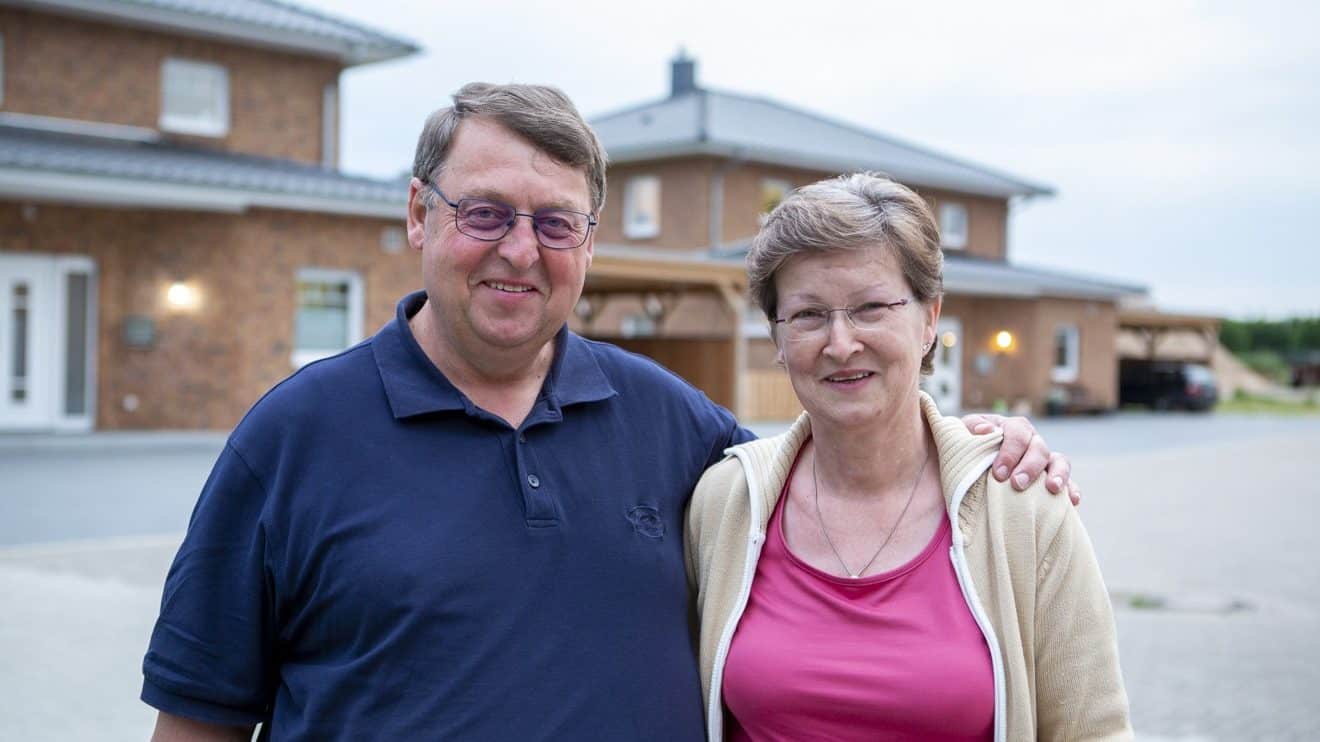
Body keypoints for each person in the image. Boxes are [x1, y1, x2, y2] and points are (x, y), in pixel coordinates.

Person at [142, 85, 1075, 741]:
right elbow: (197, 716)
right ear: (420, 215)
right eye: (485, 214)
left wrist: (973, 448)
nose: (520, 249)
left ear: (586, 242)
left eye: (555, 223)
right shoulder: (292, 437)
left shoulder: (671, 425)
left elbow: (839, 468)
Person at [686, 172, 1130, 741]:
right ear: (777, 338)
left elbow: (1093, 732)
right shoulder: (725, 503)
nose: (840, 343)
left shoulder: (1022, 508)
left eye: (870, 308)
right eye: (808, 315)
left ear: (929, 319)